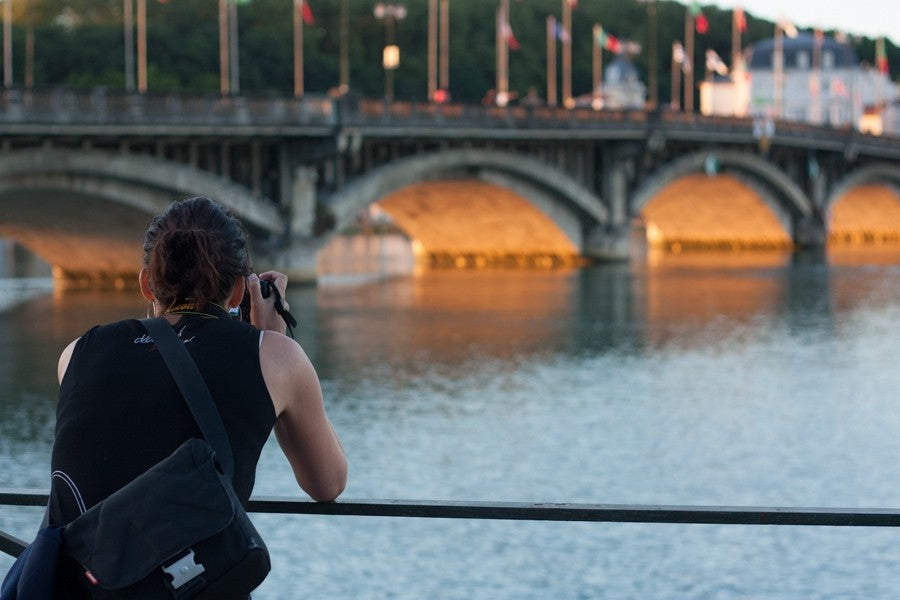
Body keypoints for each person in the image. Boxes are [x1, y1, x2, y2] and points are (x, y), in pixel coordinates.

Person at [49, 196, 347, 592]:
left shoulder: (75, 354)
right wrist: (271, 339)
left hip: (84, 587)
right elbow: (326, 484)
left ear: (145, 283)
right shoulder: (276, 357)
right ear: (240, 291)